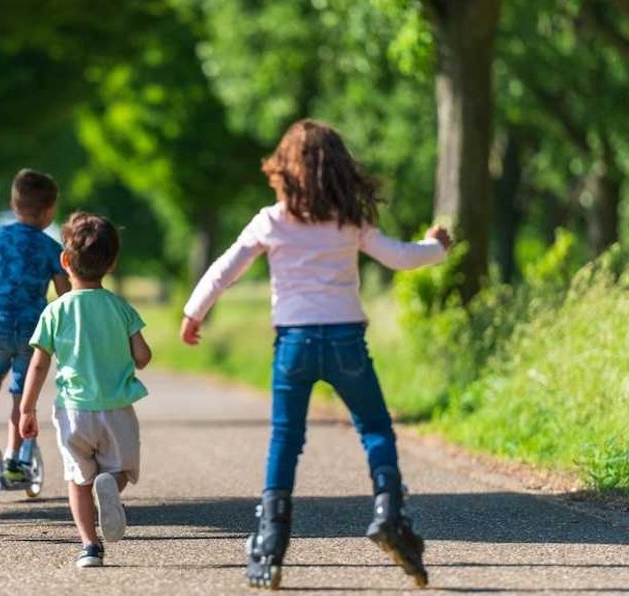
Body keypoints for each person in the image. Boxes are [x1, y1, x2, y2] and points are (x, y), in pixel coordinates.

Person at [179, 119, 451, 590]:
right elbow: (400, 257)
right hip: (346, 340)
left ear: (283, 168)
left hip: (294, 344)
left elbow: (226, 268)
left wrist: (193, 312)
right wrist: (437, 247)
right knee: (374, 428)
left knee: (286, 438)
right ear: (340, 169)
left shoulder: (271, 220)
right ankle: (390, 511)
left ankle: (271, 538)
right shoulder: (350, 220)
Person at [18, 212, 152, 569]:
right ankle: (110, 484)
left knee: (77, 480)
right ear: (112, 262)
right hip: (118, 409)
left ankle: (90, 546)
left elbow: (38, 364)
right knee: (119, 469)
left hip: (73, 411)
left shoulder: (55, 311)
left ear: (65, 261)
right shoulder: (120, 307)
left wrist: (26, 408)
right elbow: (143, 356)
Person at [0, 169, 71, 482]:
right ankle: (13, 461)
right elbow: (64, 294)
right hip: (32, 326)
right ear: (49, 212)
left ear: (13, 203)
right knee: (21, 393)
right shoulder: (51, 248)